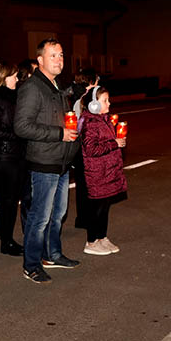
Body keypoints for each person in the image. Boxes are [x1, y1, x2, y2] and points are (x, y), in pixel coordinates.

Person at [14, 38, 81, 284]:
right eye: (53, 55)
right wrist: (59, 134)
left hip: (62, 161)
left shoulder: (56, 86)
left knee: (58, 213)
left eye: (61, 55)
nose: (59, 60)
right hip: (44, 162)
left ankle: (53, 254)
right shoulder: (33, 87)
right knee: (39, 216)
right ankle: (31, 264)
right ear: (40, 60)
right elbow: (21, 127)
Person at [0, 62, 27, 256]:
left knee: (11, 200)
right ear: (4, 76)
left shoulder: (15, 96)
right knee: (6, 201)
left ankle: (8, 239)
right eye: (14, 76)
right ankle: (6, 241)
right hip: (3, 156)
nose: (17, 79)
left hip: (16, 154)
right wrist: (21, 134)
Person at [79, 86, 127, 255]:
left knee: (105, 205)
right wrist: (114, 143)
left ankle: (102, 237)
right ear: (93, 104)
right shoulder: (90, 123)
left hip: (108, 170)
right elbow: (91, 149)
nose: (109, 103)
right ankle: (91, 242)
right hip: (97, 172)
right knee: (97, 207)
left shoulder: (104, 119)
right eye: (104, 100)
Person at [71, 68, 100, 229]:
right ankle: (86, 218)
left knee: (83, 185)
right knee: (86, 184)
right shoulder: (83, 100)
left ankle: (83, 218)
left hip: (81, 148)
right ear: (91, 82)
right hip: (84, 148)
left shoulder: (80, 98)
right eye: (97, 80)